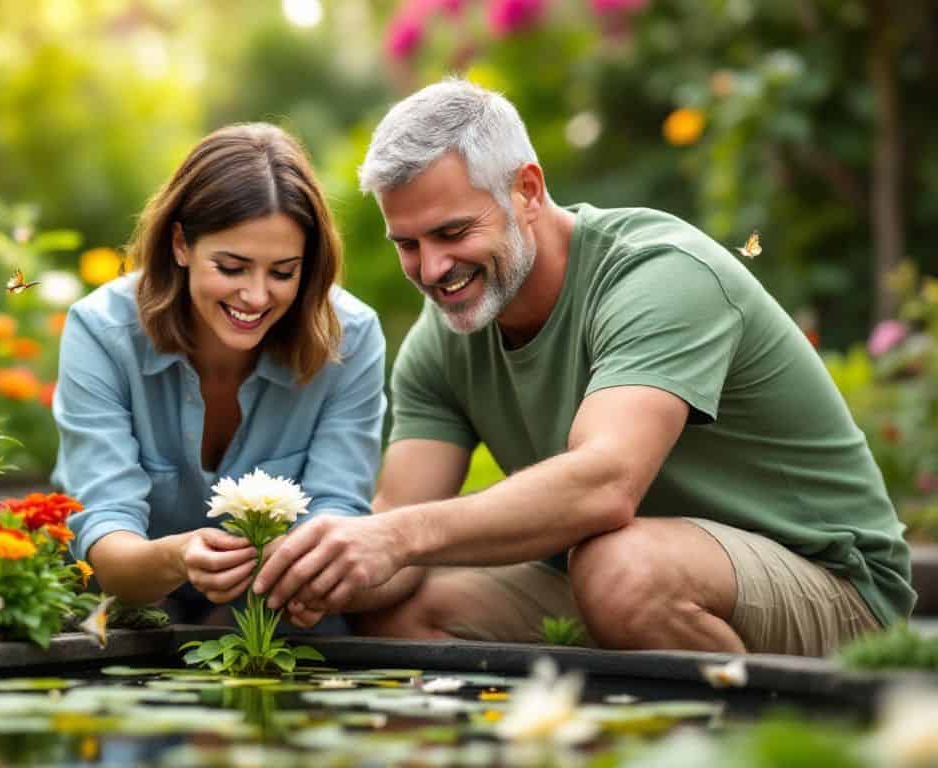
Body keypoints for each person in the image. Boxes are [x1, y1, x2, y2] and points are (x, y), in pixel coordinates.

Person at [252, 79, 914, 656]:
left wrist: (394, 537)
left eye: (453, 234)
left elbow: (603, 484)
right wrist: (324, 567)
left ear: (528, 192)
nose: (431, 270)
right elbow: (401, 513)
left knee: (623, 572)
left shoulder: (657, 275)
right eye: (409, 245)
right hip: (631, 572)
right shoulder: (444, 340)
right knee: (398, 608)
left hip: (832, 585)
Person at [52, 123, 386, 623]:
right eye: (231, 268)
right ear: (181, 245)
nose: (255, 297)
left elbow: (336, 511)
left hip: (280, 621)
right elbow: (104, 535)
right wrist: (176, 557)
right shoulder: (101, 331)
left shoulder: (351, 339)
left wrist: (305, 573)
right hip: (126, 617)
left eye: (282, 272)